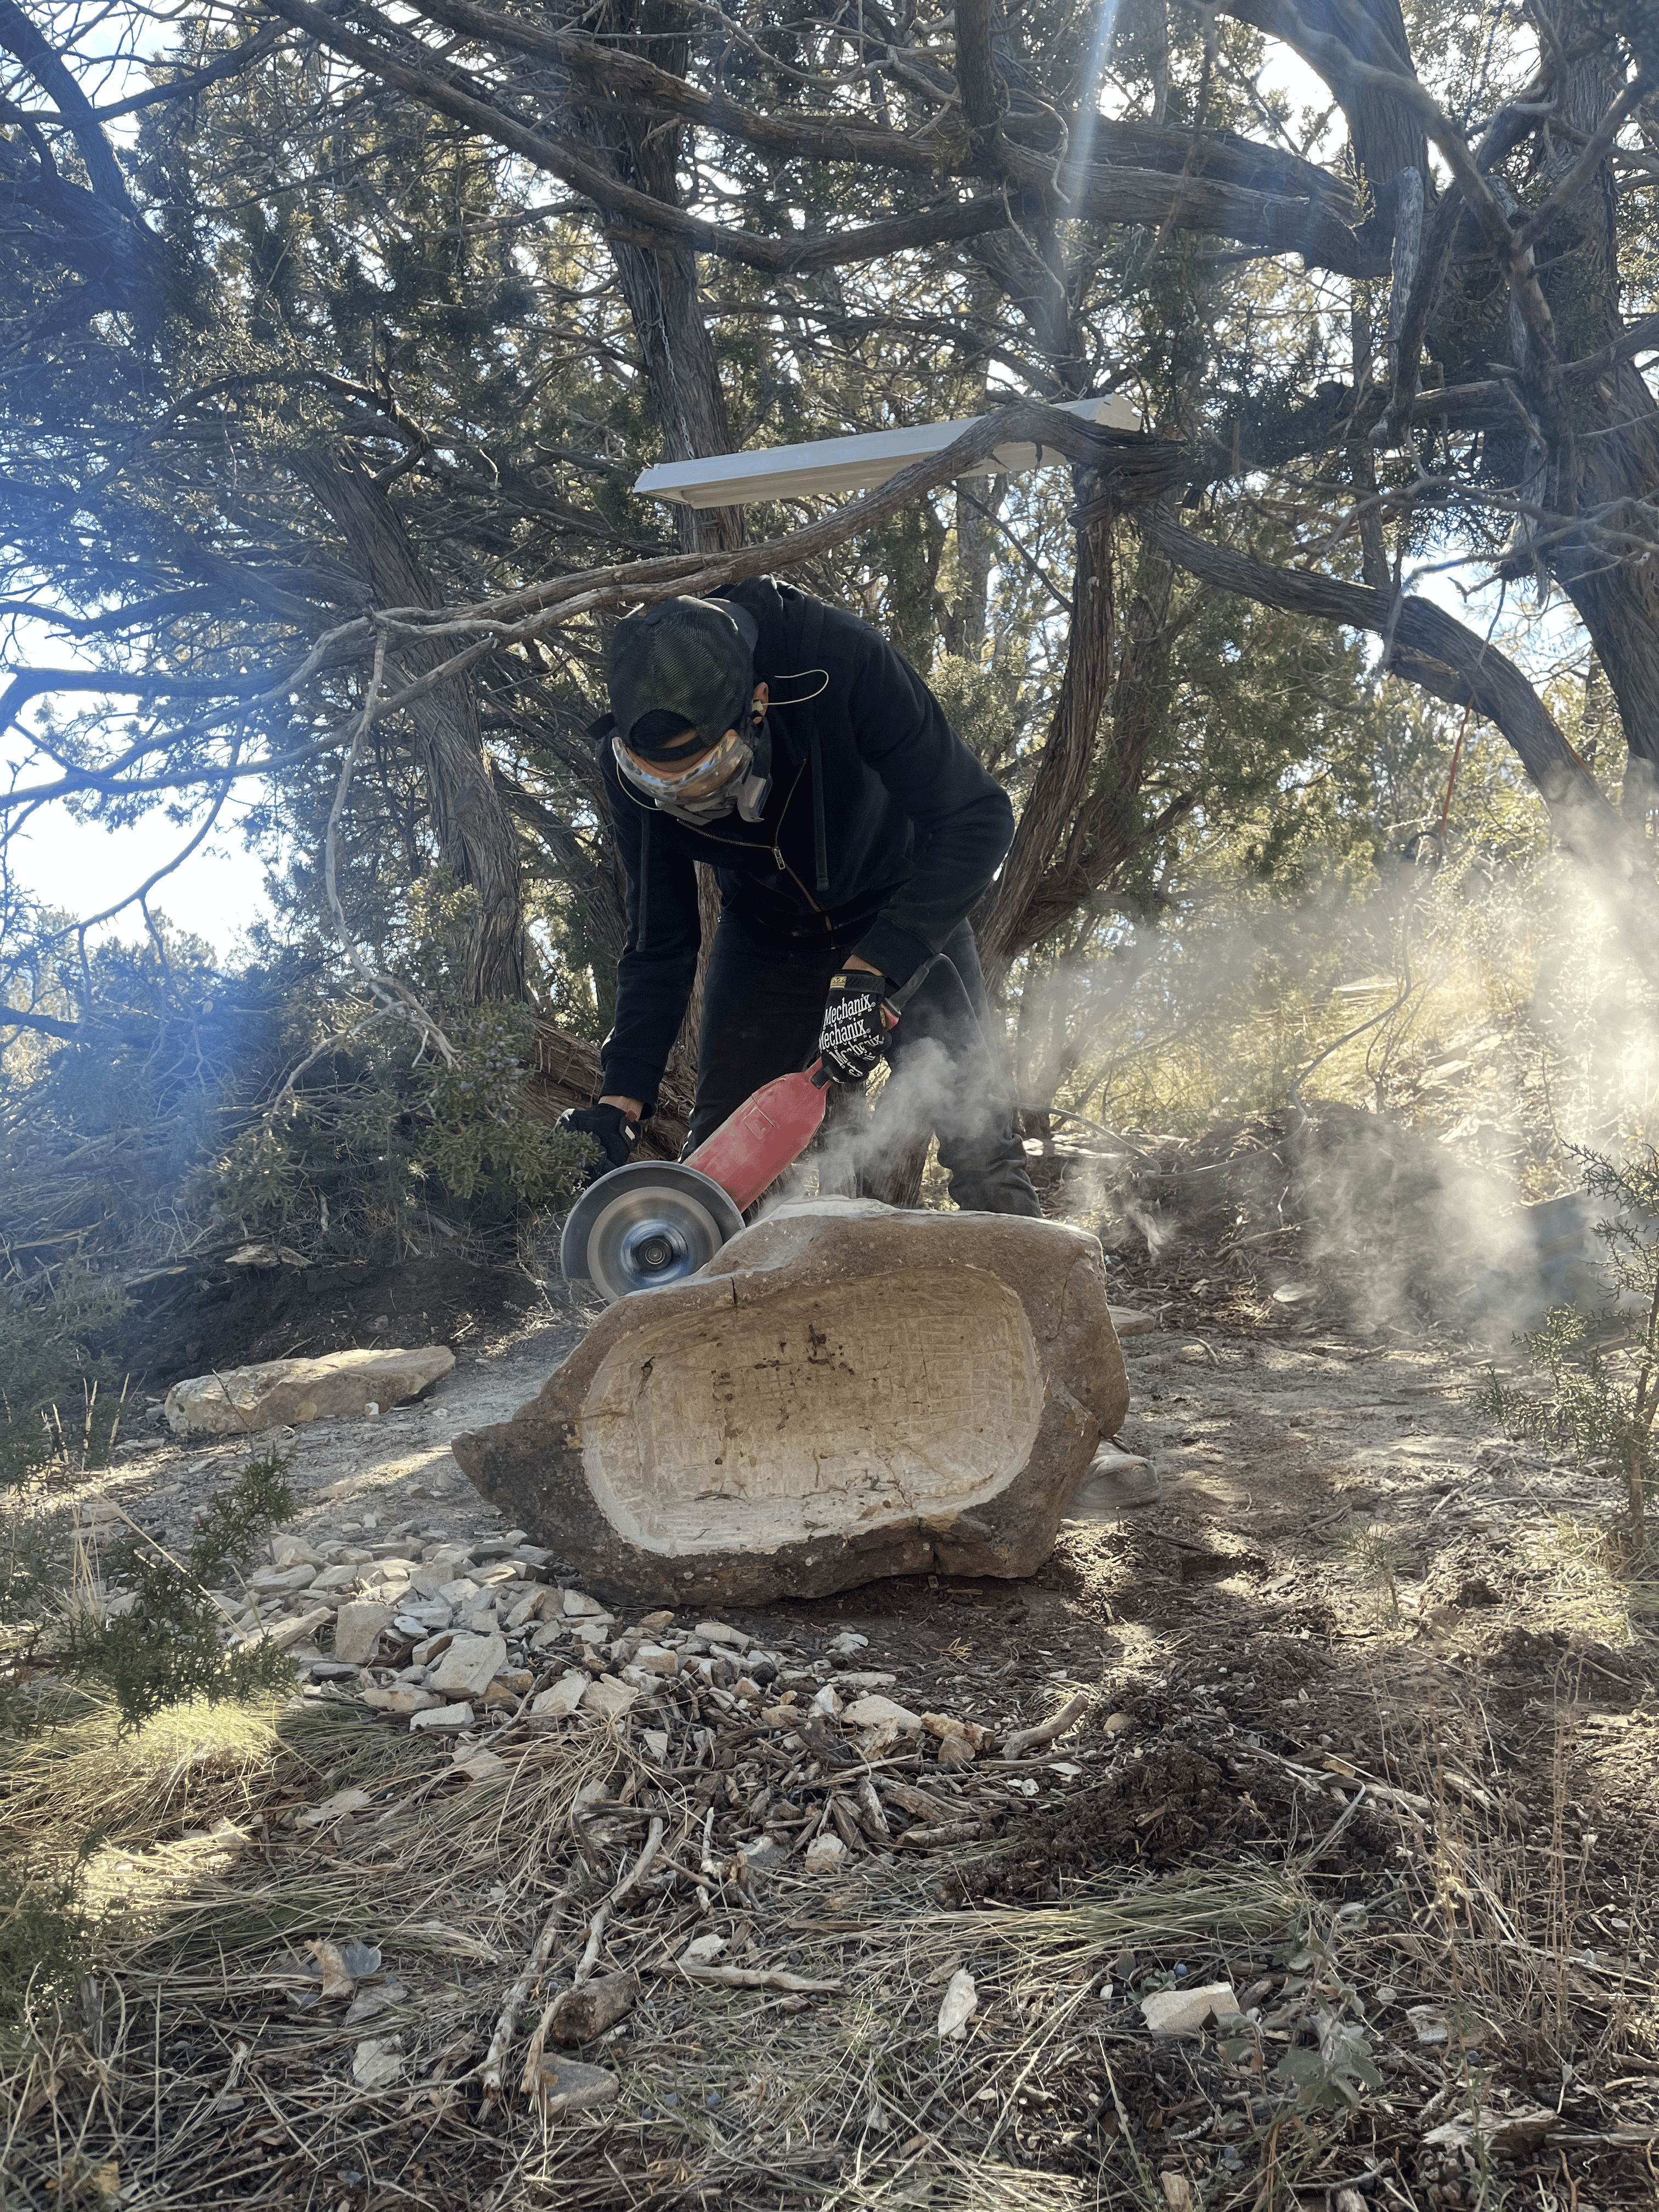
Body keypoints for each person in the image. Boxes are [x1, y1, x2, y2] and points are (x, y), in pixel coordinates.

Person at [562, 578, 1041, 1216]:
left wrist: (878, 966)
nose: (691, 805)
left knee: (981, 1136)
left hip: (896, 903)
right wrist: (619, 1102)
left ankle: (1050, 1307)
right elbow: (660, 940)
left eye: (707, 778)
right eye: (666, 791)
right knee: (719, 1174)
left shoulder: (842, 661)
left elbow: (979, 819)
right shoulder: (626, 776)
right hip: (767, 932)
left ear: (757, 707)